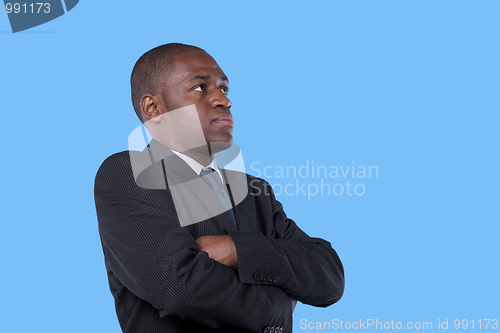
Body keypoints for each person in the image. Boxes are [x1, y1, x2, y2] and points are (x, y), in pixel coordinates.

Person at [94, 43, 344, 333]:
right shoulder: (130, 172)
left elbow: (328, 277)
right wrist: (279, 305)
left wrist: (238, 249)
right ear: (154, 108)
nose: (223, 100)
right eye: (200, 88)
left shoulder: (254, 191)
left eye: (224, 89)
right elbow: (178, 285)